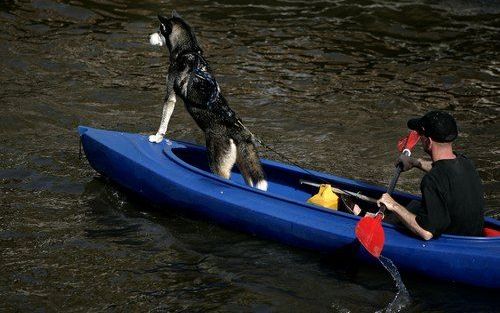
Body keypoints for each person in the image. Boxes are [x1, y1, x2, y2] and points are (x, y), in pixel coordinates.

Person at [378, 111, 484, 240]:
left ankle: (378, 222)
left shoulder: (431, 180)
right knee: (415, 205)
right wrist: (416, 163)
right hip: (471, 236)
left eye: (421, 135)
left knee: (404, 209)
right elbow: (444, 171)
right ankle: (384, 221)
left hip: (450, 244)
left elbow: (426, 232)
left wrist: (393, 205)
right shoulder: (465, 163)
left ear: (428, 141)